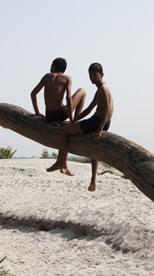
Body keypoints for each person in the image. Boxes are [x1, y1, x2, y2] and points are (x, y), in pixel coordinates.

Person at [46, 62, 114, 191]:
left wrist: (99, 130)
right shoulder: (100, 89)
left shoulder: (103, 89)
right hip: (101, 121)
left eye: (95, 75)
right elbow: (88, 109)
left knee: (64, 131)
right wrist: (74, 120)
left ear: (102, 74)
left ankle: (61, 162)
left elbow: (105, 110)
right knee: (93, 149)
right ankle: (93, 180)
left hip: (98, 121)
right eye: (90, 75)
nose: (92, 78)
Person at [30, 57, 86, 124]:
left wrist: (37, 112)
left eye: (51, 66)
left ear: (54, 67)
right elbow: (68, 97)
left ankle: (73, 121)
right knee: (82, 91)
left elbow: (33, 94)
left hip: (49, 115)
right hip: (61, 114)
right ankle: (74, 121)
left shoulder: (46, 76)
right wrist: (71, 118)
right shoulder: (67, 78)